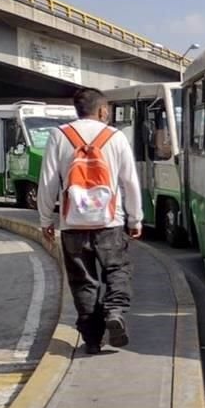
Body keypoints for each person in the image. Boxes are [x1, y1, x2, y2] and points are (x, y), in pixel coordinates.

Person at [38, 88, 143, 355]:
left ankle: (92, 340)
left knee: (83, 280)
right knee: (117, 269)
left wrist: (46, 219)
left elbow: (48, 181)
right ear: (102, 110)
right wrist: (135, 218)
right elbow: (129, 181)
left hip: (72, 223)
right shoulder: (115, 136)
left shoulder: (58, 136)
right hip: (110, 220)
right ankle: (115, 311)